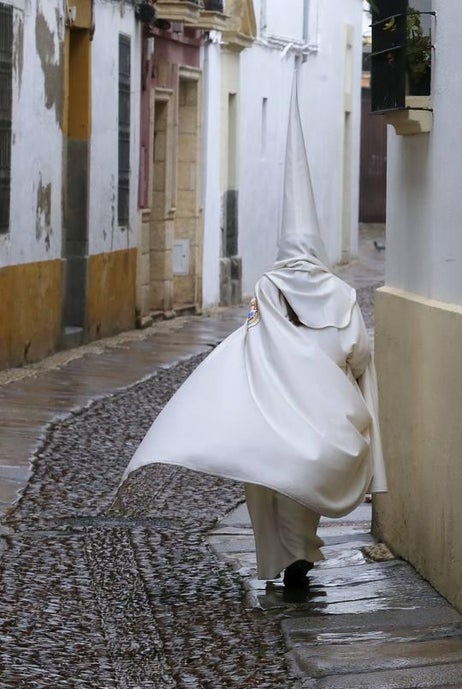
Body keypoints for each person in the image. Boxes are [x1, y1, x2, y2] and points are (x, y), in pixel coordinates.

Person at [124, 70, 386, 593]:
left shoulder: (267, 288)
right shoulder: (338, 292)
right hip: (324, 407)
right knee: (304, 484)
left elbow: (253, 340)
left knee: (271, 484)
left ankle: (288, 558)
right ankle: (302, 554)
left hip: (276, 409)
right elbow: (356, 351)